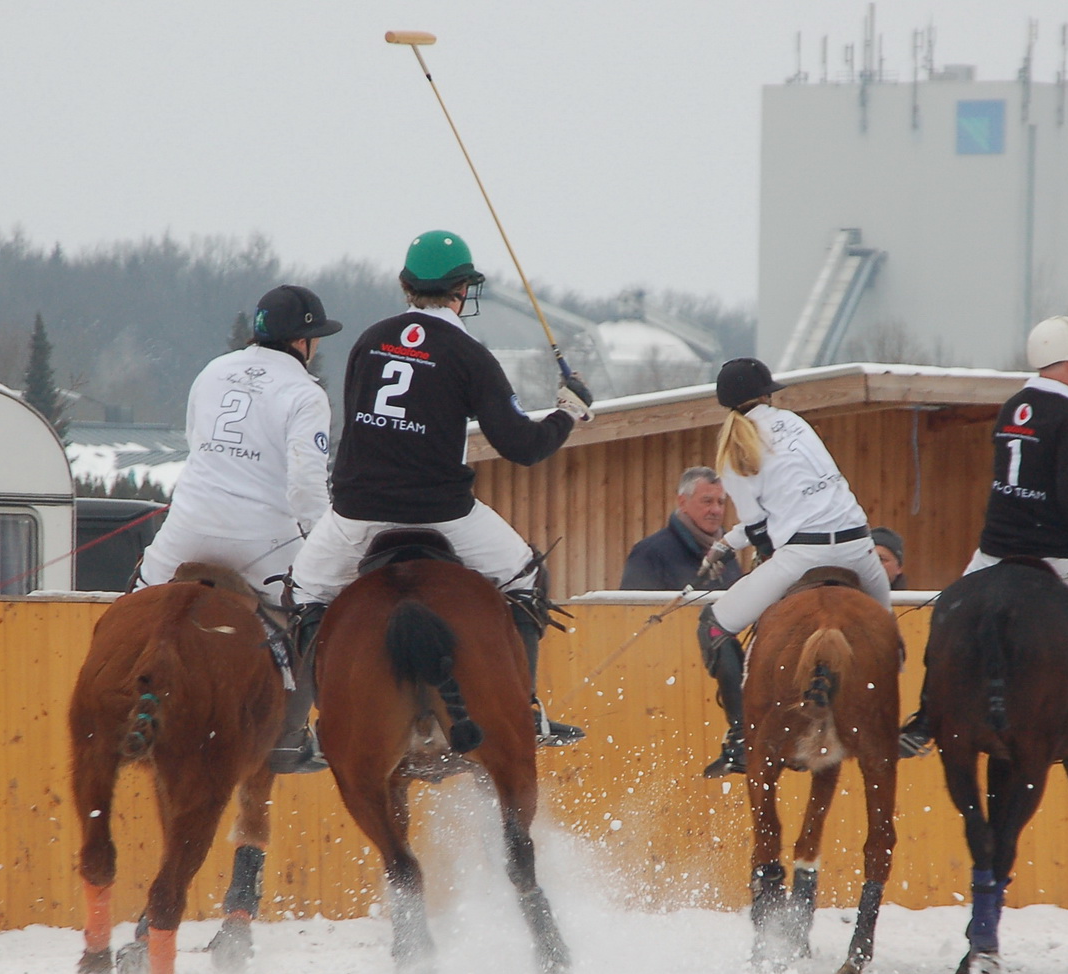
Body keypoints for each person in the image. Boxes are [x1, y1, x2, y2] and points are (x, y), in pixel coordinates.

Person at [286, 229, 596, 753]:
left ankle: (322, 721)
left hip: (358, 514)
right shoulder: (469, 354)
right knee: (526, 576)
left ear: (407, 286)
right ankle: (526, 709)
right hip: (443, 513)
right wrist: (567, 414)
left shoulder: (368, 340)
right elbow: (521, 445)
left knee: (304, 592)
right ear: (462, 290)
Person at [898, 315, 1068, 767]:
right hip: (1061, 557)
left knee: (949, 614)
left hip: (997, 550)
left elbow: (1044, 460)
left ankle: (926, 718)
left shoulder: (1014, 407)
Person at [133, 283, 340, 772]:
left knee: (135, 604)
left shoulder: (212, 371)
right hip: (262, 542)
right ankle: (289, 738)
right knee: (319, 614)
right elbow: (307, 489)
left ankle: (124, 697)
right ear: (302, 342)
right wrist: (329, 543)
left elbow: (197, 442)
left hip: (186, 529)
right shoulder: (305, 393)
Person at [694, 357, 892, 778]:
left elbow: (759, 528)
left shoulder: (733, 450)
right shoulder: (795, 423)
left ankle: (741, 740)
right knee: (888, 642)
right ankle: (903, 725)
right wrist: (728, 545)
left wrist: (730, 548)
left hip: (803, 555)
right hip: (860, 546)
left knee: (712, 627)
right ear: (766, 395)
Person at [619, 466, 743, 591]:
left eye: (721, 502)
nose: (716, 510)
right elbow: (631, 609)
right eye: (707, 501)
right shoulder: (648, 554)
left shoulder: (727, 555)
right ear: (683, 502)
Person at [870, 526, 908, 590]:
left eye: (881, 559)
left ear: (899, 567)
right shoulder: (850, 598)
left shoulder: (911, 599)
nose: (873, 564)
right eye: (869, 559)